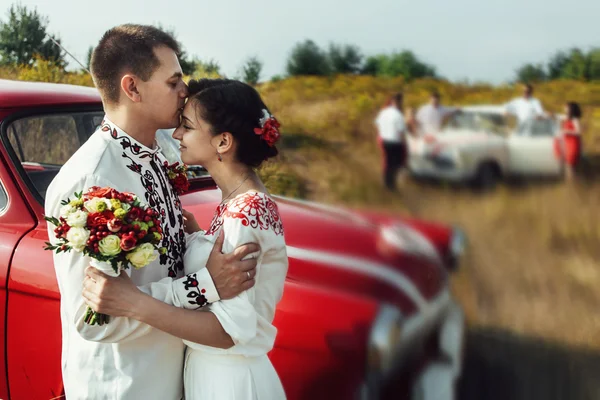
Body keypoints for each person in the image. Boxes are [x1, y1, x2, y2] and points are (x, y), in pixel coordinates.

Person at [44, 25, 259, 400]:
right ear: (132, 88)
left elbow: (159, 266)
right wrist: (203, 285)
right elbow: (95, 320)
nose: (184, 92)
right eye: (174, 82)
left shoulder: (156, 156)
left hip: (172, 374)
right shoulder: (92, 181)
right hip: (125, 384)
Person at [83, 79, 288, 400]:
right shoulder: (241, 202)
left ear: (223, 142)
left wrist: (134, 303)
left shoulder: (246, 213)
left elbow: (226, 332)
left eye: (187, 126)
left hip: (228, 383)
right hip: (214, 374)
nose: (176, 134)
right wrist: (195, 236)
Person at [375, 92, 407, 191]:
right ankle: (391, 185)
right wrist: (404, 144)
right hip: (395, 142)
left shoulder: (384, 112)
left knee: (388, 163)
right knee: (396, 164)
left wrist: (382, 133)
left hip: (384, 140)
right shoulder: (399, 115)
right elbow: (401, 132)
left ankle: (387, 184)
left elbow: (377, 123)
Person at [559, 101, 583, 181]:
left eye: (567, 107)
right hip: (568, 143)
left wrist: (566, 131)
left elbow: (578, 131)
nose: (565, 108)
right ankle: (572, 184)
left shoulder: (575, 119)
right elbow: (558, 116)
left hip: (573, 144)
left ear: (571, 109)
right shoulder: (567, 118)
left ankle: (572, 184)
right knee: (568, 166)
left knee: (569, 166)